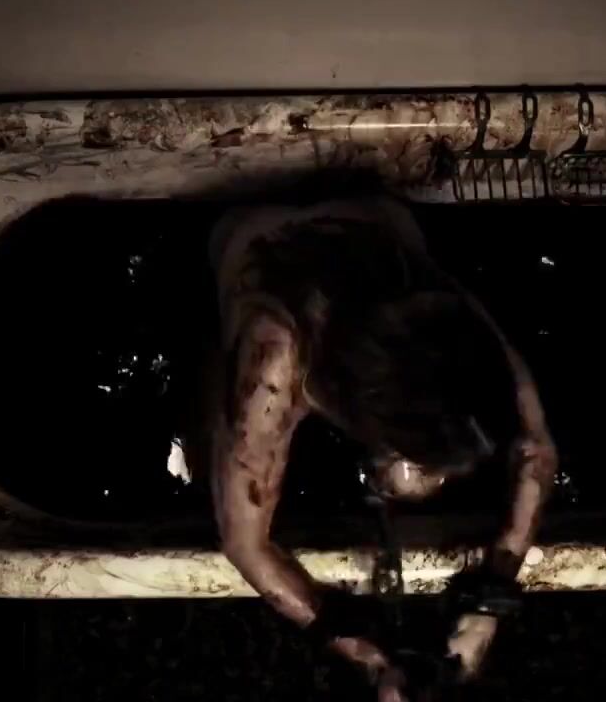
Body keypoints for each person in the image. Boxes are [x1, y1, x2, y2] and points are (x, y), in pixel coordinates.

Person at [204, 195, 558, 701]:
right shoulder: (276, 364)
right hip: (251, 228)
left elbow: (534, 449)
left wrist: (488, 606)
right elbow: (245, 544)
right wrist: (356, 650)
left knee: (419, 480)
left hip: (371, 214)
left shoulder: (443, 319)